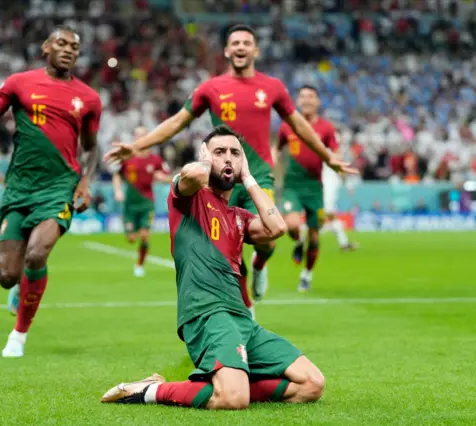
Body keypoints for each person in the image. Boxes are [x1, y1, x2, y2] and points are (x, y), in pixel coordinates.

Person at [104, 24, 356, 317]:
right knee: (229, 245)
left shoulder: (272, 87)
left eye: (246, 42)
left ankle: (262, 265)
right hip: (220, 181)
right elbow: (177, 122)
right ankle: (246, 308)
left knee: (270, 236)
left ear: (255, 50)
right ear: (226, 50)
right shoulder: (210, 88)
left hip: (257, 175)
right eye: (235, 42)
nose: (240, 47)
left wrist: (327, 155)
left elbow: (299, 124)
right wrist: (137, 146)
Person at [101, 126, 325, 409]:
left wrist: (247, 176)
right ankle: (152, 390)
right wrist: (207, 160)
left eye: (235, 153)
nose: (228, 158)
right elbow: (192, 176)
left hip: (242, 320)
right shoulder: (187, 198)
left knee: (312, 384)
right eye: (220, 152)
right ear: (205, 156)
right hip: (207, 313)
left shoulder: (238, 217)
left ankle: (229, 384)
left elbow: (278, 227)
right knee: (233, 399)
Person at [0, 26, 101, 358]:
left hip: (59, 187)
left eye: (74, 47)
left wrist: (85, 181)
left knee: (37, 254)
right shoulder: (19, 83)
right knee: (7, 276)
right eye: (61, 43)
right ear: (45, 48)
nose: (68, 50)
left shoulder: (89, 98)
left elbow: (92, 148)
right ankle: (20, 285)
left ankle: (18, 336)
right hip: (19, 187)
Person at [274, 85, 340, 291]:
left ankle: (307, 274)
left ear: (318, 102)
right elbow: (276, 149)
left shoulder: (327, 128)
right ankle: (297, 241)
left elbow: (335, 151)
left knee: (314, 235)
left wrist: (337, 162)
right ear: (298, 101)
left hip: (314, 187)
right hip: (292, 185)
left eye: (311, 96)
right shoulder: (287, 126)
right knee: (291, 225)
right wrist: (269, 165)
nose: (307, 100)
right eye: (302, 96)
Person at [111, 127, 172, 277]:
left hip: (147, 202)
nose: (140, 138)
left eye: (144, 135)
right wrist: (118, 191)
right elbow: (117, 175)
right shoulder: (127, 158)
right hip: (130, 204)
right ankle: (132, 233)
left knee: (145, 235)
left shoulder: (155, 159)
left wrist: (174, 177)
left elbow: (162, 175)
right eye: (138, 135)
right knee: (131, 239)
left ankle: (139, 265)